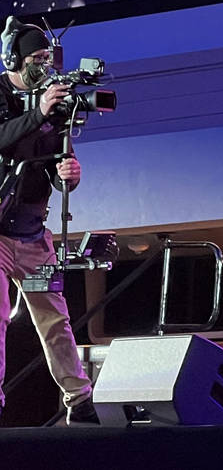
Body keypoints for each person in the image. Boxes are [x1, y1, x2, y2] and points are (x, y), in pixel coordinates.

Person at [0, 21, 98, 425]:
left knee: (56, 320)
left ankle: (79, 400)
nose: (44, 67)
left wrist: (68, 174)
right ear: (14, 59)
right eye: (36, 60)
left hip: (33, 231)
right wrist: (37, 110)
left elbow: (60, 159)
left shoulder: (51, 102)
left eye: (47, 60)